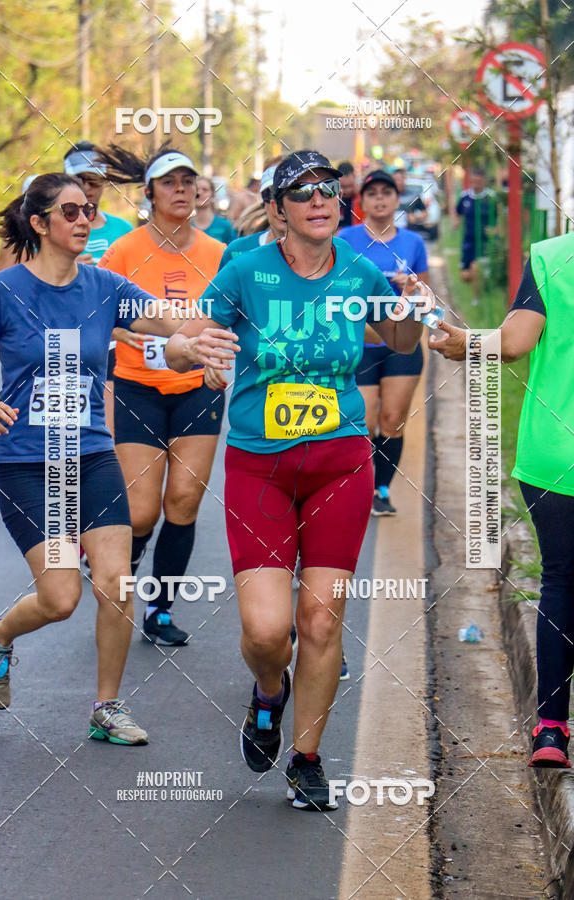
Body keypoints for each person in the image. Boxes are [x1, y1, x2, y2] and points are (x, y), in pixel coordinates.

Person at [165, 150, 431, 809]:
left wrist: (410, 309)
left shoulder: (360, 270)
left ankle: (307, 759)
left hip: (340, 460)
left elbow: (398, 342)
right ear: (278, 210)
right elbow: (181, 341)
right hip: (262, 467)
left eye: (326, 191)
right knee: (265, 632)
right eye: (301, 192)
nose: (319, 200)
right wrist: (197, 349)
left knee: (319, 620)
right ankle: (268, 693)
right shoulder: (246, 272)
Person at [0, 173, 184, 743]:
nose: (84, 220)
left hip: (89, 452)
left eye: (88, 210)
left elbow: (173, 326)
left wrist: (206, 343)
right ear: (39, 224)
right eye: (70, 211)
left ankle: (108, 707)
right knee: (61, 597)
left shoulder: (106, 287)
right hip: (25, 459)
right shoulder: (5, 289)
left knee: (116, 581)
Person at [429, 232, 574, 769]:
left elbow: (513, 343)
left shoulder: (553, 258)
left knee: (561, 581)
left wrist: (464, 342)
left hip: (554, 456)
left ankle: (551, 730)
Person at [95, 144, 225, 647]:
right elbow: (94, 309)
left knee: (185, 501)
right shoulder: (124, 251)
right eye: (169, 183)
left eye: (188, 182)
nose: (181, 190)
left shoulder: (218, 252)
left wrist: (217, 359)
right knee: (143, 510)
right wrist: (114, 334)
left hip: (197, 390)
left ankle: (161, 610)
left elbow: (231, 318)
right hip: (137, 390)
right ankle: (116, 586)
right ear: (148, 194)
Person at [339, 169, 429, 516]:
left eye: (386, 192)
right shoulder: (345, 238)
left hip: (401, 345)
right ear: (362, 200)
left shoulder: (413, 243)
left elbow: (426, 296)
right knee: (363, 421)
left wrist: (410, 287)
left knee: (392, 420)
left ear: (396, 199)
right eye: (372, 193)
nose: (379, 198)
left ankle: (382, 489)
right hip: (360, 343)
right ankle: (356, 486)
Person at [63, 142, 134, 436]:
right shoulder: (52, 228)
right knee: (64, 439)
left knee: (105, 436)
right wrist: (65, 266)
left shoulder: (124, 230)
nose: (89, 187)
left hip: (111, 345)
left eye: (96, 179)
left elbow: (136, 290)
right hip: (63, 341)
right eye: (81, 180)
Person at [218, 164, 286, 269]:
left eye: (289, 196)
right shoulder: (237, 250)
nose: (279, 207)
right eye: (269, 196)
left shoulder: (315, 254)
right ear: (263, 203)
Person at [452, 168, 493, 305]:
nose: (476, 185)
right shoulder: (465, 197)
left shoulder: (490, 198)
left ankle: (476, 299)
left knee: (476, 268)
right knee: (465, 276)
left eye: (479, 182)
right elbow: (457, 212)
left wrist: (495, 229)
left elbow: (501, 217)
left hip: (485, 242)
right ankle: (483, 284)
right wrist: (456, 222)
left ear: (484, 182)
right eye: (474, 182)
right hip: (468, 241)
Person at [194, 176, 238, 244]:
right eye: (196, 189)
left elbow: (234, 252)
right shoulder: (184, 226)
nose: (199, 193)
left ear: (213, 195)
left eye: (205, 190)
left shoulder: (226, 226)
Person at [337, 161, 364, 229]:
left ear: (354, 178)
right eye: (343, 187)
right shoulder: (332, 198)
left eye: (350, 186)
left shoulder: (363, 198)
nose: (347, 191)